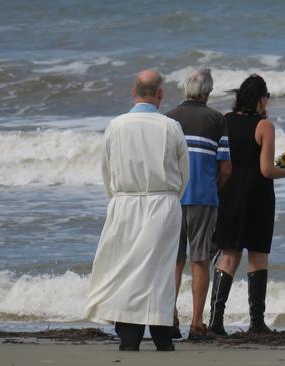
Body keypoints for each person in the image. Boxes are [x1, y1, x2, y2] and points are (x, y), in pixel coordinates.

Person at [83, 70, 189, 351]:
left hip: (124, 201)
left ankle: (129, 334)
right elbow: (184, 172)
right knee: (160, 271)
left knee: (125, 267)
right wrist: (171, 199)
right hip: (162, 202)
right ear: (160, 94)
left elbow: (106, 170)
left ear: (134, 92)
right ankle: (161, 334)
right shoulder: (170, 126)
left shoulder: (115, 125)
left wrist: (117, 200)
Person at [209, 74, 285, 336]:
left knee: (228, 255)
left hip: (227, 195)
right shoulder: (264, 126)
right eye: (266, 96)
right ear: (261, 98)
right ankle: (256, 322)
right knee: (258, 255)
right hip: (257, 197)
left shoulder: (224, 121)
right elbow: (267, 170)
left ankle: (216, 322)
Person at [166, 69, 231, 340]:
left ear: (185, 90)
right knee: (200, 260)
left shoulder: (168, 118)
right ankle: (196, 324)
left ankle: (168, 318)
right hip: (202, 197)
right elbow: (226, 168)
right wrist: (212, 189)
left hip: (171, 198)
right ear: (207, 92)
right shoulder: (216, 119)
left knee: (174, 261)